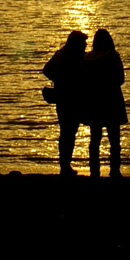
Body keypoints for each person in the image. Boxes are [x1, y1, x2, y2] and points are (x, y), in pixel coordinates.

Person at [43, 30, 87, 176]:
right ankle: (65, 165)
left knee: (65, 132)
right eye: (83, 42)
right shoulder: (79, 57)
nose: (85, 45)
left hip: (62, 98)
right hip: (74, 99)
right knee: (70, 132)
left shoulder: (60, 54)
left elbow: (46, 69)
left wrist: (58, 79)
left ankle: (64, 164)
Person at [83, 28, 127, 178]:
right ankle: (115, 170)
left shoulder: (87, 58)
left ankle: (94, 171)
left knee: (95, 139)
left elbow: (83, 81)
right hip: (112, 100)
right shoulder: (113, 57)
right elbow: (120, 79)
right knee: (114, 139)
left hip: (94, 101)